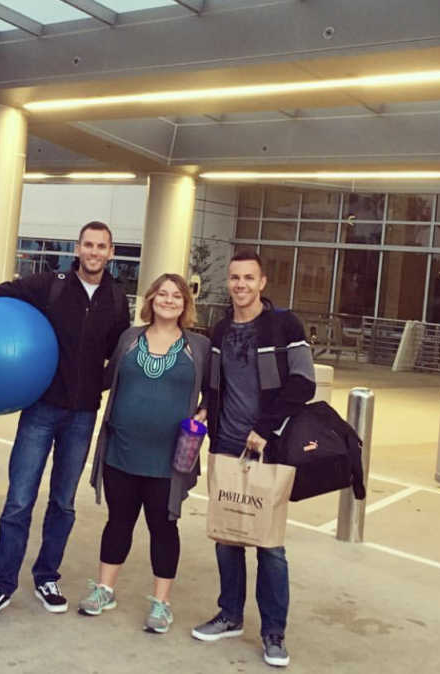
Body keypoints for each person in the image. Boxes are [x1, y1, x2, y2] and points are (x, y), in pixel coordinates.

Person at [0, 221, 129, 620]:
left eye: (102, 247)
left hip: (82, 415)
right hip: (41, 410)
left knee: (63, 503)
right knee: (19, 501)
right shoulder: (52, 284)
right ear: (78, 248)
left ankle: (47, 576)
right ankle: (1, 584)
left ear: (111, 253)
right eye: (88, 245)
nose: (94, 252)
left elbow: (120, 352)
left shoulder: (116, 297)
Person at [192, 249, 315, 668]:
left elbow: (303, 383)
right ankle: (229, 614)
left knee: (269, 545)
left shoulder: (284, 325)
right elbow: (214, 384)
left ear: (263, 283)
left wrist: (265, 428)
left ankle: (273, 633)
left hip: (270, 448)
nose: (240, 285)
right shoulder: (222, 329)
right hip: (225, 447)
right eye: (234, 278)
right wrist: (206, 410)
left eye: (248, 278)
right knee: (227, 535)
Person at [79, 273, 210, 634]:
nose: (168, 300)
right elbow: (104, 378)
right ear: (150, 300)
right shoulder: (129, 339)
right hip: (122, 450)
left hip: (170, 458)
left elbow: (216, 388)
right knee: (119, 520)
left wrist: (206, 411)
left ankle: (161, 604)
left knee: (163, 528)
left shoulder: (197, 346)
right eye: (162, 294)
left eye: (176, 296)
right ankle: (104, 589)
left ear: (185, 304)